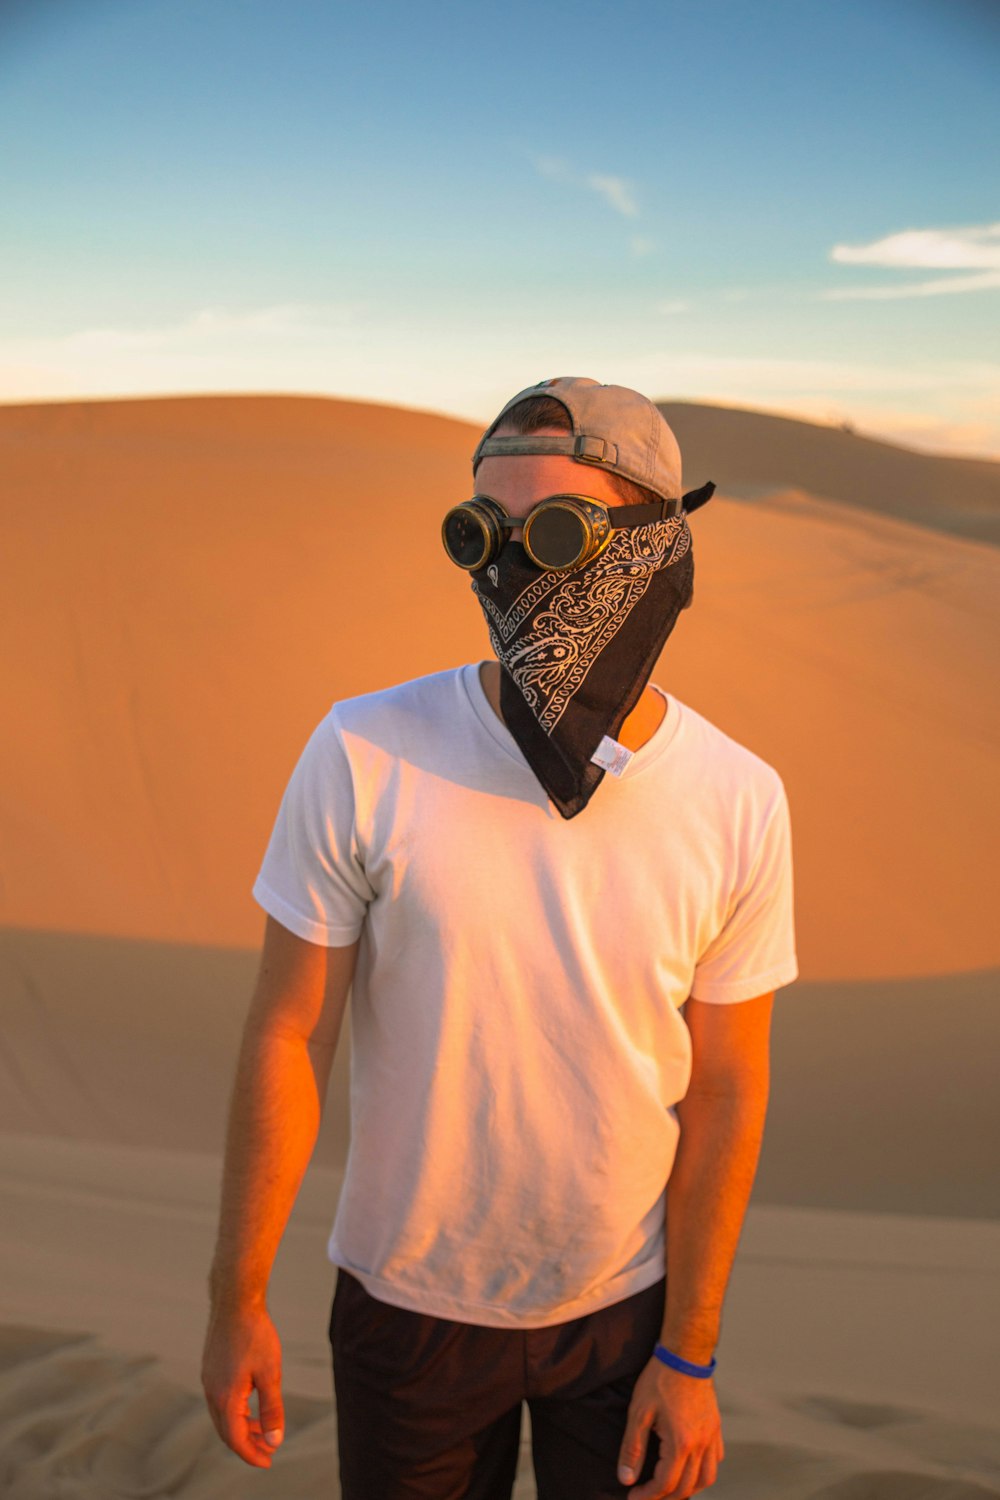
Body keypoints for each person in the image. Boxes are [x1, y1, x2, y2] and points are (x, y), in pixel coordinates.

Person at [201, 376, 798, 1500]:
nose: (510, 569)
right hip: (404, 1306)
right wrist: (233, 1299)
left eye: (559, 532)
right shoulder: (364, 750)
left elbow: (726, 1086)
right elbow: (289, 1033)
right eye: (486, 534)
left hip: (622, 1316)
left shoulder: (736, 798)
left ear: (648, 544)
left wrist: (691, 1350)